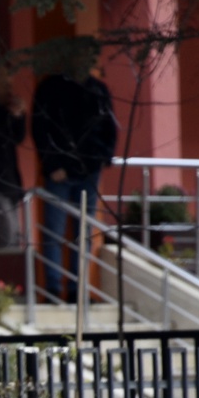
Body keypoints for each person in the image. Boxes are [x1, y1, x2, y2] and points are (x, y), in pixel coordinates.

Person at [32, 46, 117, 301]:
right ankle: (54, 288)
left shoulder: (98, 91)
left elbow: (109, 129)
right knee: (54, 232)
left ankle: (76, 289)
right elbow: (40, 128)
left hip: (89, 172)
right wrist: (51, 164)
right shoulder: (50, 88)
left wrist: (102, 159)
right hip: (59, 173)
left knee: (85, 233)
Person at [0, 60, 29, 253]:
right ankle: (4, 280)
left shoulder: (4, 110)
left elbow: (17, 137)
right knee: (7, 235)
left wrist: (19, 117)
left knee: (14, 234)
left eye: (10, 84)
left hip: (10, 183)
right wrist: (8, 116)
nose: (9, 89)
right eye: (4, 84)